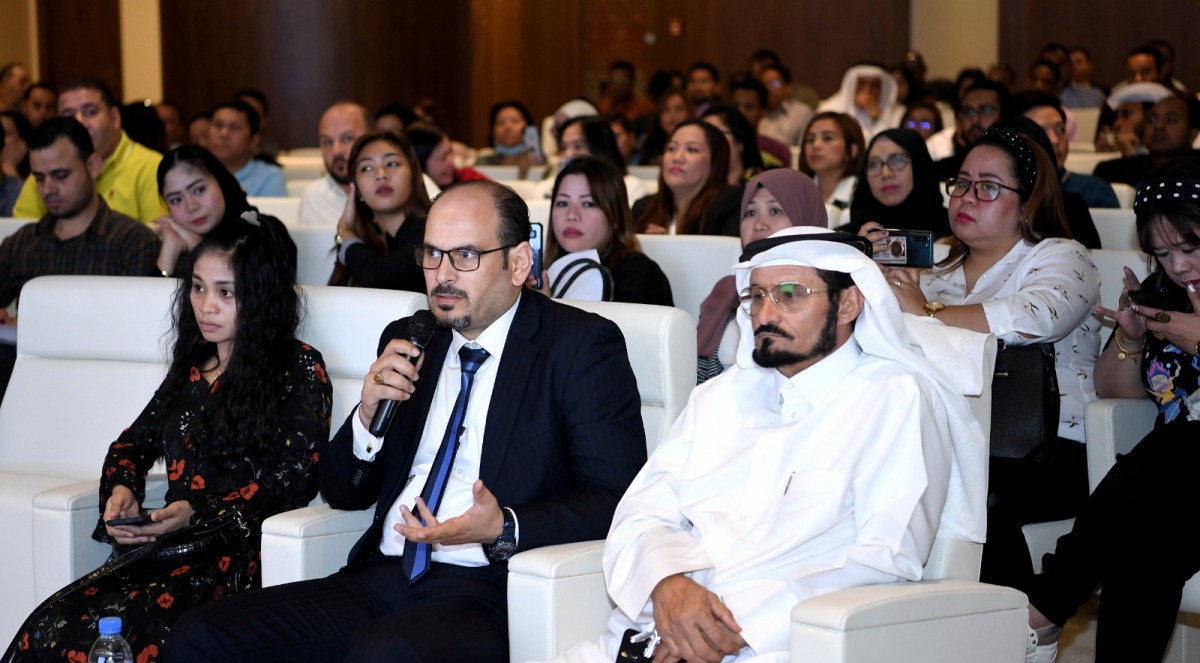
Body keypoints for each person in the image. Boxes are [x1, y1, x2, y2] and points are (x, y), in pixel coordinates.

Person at [166, 179, 647, 661]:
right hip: (382, 575)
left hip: (489, 590)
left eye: (464, 256)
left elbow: (615, 494)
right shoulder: (412, 339)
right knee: (199, 633)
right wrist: (368, 418)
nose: (441, 275)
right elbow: (343, 491)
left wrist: (502, 526)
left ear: (518, 262)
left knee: (382, 652)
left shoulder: (580, 345)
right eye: (432, 255)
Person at [547, 225, 989, 662]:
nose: (765, 313)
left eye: (790, 293)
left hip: (781, 645)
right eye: (756, 296)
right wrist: (667, 584)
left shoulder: (895, 400)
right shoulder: (719, 397)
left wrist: (722, 629)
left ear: (849, 303)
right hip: (649, 634)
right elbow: (643, 512)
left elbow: (885, 560)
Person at [2, 214, 332, 663]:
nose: (206, 306)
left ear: (262, 295)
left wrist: (197, 513)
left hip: (234, 556)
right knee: (52, 626)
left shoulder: (298, 367)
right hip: (167, 549)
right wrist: (122, 491)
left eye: (225, 292)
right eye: (198, 287)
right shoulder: (192, 368)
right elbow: (130, 446)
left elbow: (295, 478)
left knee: (120, 634)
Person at [886, 125, 1099, 595]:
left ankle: (1017, 629)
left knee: (968, 491)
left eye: (987, 187)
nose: (966, 197)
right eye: (960, 183)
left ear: (1027, 203)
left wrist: (924, 313)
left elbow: (1038, 316)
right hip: (951, 437)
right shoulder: (931, 274)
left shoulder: (1062, 257)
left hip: (1049, 449)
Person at [1023, 162, 1200, 663]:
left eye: (1190, 248)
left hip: (1175, 461)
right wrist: (1130, 337)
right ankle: (1049, 607)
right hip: (1177, 488)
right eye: (1163, 254)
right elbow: (1118, 396)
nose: (1179, 266)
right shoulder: (1167, 299)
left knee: (1179, 440)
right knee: (1144, 549)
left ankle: (1047, 604)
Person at [696, 169, 829, 383]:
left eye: (775, 211)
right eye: (750, 213)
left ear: (806, 218)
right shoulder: (727, 290)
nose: (759, 224)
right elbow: (698, 375)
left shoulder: (831, 292)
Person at [12, 78, 167, 224]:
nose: (80, 122)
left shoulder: (151, 167)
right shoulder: (48, 171)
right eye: (68, 115)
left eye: (90, 112)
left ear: (114, 117)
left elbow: (157, 238)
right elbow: (22, 233)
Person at [540, 156, 672, 305]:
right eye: (562, 203)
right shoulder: (540, 275)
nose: (571, 215)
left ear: (615, 216)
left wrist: (544, 308)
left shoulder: (638, 274)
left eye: (588, 204)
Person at [329, 131, 431, 292]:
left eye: (392, 164)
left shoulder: (432, 232)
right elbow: (334, 299)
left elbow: (377, 277)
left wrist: (344, 233)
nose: (381, 174)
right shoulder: (358, 240)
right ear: (355, 188)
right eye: (367, 168)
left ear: (415, 175)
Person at [154, 145, 277, 278]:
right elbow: (146, 298)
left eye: (199, 190)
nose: (191, 206)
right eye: (176, 200)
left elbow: (246, 289)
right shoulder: (166, 239)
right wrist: (169, 250)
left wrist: (196, 245)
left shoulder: (267, 234)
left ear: (221, 182)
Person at [632, 120, 741, 237]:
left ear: (715, 161)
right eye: (672, 148)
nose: (677, 157)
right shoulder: (643, 208)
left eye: (692, 149)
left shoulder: (732, 203)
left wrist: (669, 247)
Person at [1017, 92, 1119, 209]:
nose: (1055, 140)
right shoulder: (1006, 192)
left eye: (1060, 129)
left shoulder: (1093, 191)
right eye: (1040, 131)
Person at [849, 128, 950, 239]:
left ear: (919, 166)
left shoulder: (955, 237)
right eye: (875, 164)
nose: (886, 174)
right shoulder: (848, 240)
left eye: (897, 160)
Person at [1094, 93, 1200, 190]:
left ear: (1193, 133)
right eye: (1151, 119)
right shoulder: (1109, 172)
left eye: (1171, 120)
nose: (1158, 125)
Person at [532, 115, 645, 201]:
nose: (568, 154)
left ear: (601, 147)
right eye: (563, 147)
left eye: (578, 146)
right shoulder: (545, 187)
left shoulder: (630, 187)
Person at [297, 102, 370, 225]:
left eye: (347, 138)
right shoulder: (315, 197)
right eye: (328, 142)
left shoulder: (389, 191)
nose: (336, 151)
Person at [929, 80, 1011, 179]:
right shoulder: (941, 172)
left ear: (1004, 115)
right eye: (969, 111)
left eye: (986, 110)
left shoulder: (1017, 170)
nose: (975, 120)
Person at [207, 100, 286, 197]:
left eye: (234, 127)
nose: (224, 134)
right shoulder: (193, 172)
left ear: (254, 140)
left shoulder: (269, 177)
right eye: (218, 126)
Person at [817, 64, 905, 141]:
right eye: (862, 84)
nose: (868, 90)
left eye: (874, 85)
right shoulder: (829, 109)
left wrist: (876, 116)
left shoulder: (899, 113)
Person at [798, 111, 866, 211]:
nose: (816, 145)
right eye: (810, 140)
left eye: (827, 138)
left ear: (852, 150)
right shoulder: (796, 192)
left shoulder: (865, 194)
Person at [727, 74, 793, 165]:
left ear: (763, 112)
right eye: (735, 106)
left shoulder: (777, 151)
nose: (740, 112)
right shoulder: (719, 146)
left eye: (749, 107)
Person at [701, 103, 771, 184]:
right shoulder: (700, 184)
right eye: (704, 136)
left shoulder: (760, 184)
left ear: (740, 141)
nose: (709, 141)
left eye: (717, 133)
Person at [407, 125, 490, 192]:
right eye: (443, 157)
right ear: (419, 163)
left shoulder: (464, 176)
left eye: (450, 152)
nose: (451, 161)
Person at [474, 100, 543, 178]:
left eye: (515, 121)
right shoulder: (483, 163)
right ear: (492, 130)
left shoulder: (540, 161)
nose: (508, 127)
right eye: (501, 122)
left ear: (528, 127)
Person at [757, 64, 814, 147]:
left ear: (789, 88)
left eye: (774, 84)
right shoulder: (753, 111)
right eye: (763, 84)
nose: (767, 88)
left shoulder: (801, 113)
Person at [632, 88, 693, 166]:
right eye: (666, 110)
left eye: (679, 109)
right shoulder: (648, 146)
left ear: (689, 112)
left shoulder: (698, 144)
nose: (672, 115)